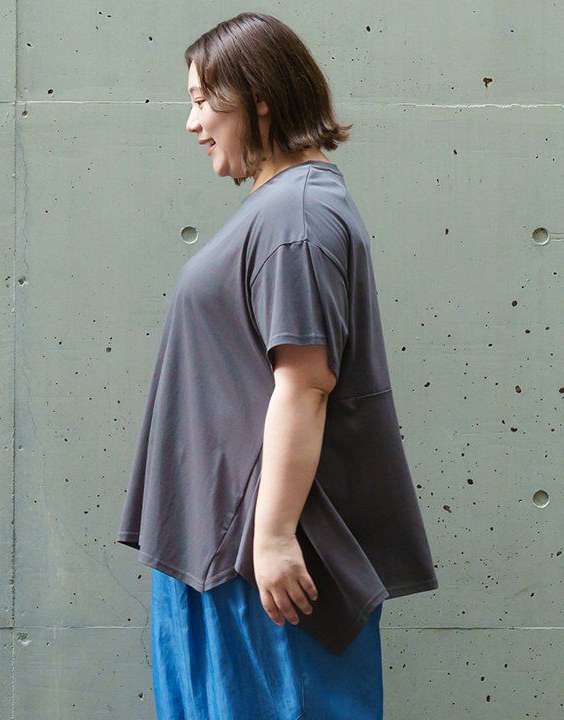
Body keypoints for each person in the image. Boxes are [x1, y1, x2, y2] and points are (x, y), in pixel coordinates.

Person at [117, 11, 438, 719]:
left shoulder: (296, 218)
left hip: (252, 561)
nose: (192, 122)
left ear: (259, 98)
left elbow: (306, 384)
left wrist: (271, 538)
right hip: (218, 551)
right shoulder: (283, 209)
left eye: (204, 100)